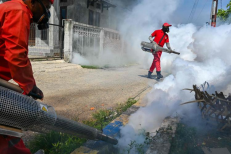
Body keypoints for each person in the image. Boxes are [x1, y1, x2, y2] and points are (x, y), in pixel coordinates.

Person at [0, 0, 53, 153]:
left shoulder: (14, 8)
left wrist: (29, 84)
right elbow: (16, 55)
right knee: (8, 123)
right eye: (47, 7)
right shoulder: (19, 10)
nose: (47, 13)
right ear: (34, 1)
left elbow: (16, 52)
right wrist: (30, 86)